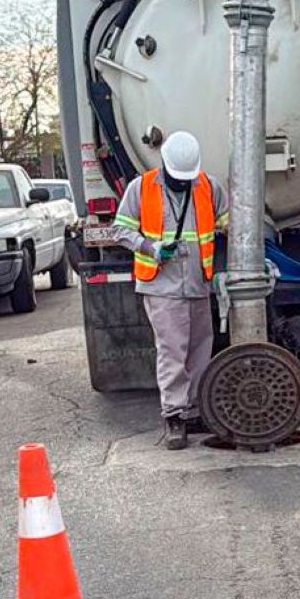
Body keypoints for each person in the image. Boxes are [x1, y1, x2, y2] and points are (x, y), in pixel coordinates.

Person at [113, 131, 228, 450]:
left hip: (197, 283)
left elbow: (229, 220)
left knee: (201, 348)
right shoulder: (142, 187)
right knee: (173, 350)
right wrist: (150, 247)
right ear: (164, 164)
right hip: (161, 285)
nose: (182, 183)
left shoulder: (207, 186)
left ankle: (196, 408)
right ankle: (175, 415)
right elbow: (120, 229)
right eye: (178, 178)